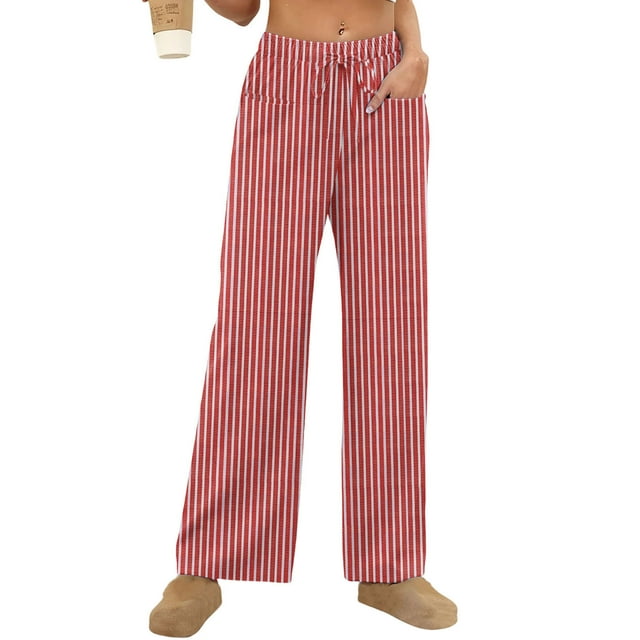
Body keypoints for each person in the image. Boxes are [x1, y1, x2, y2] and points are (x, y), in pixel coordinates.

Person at [146, 0, 457, 635]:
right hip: (287, 82)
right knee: (255, 324)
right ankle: (207, 561)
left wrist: (415, 51)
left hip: (386, 82)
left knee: (392, 325)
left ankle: (391, 565)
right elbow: (242, 11)